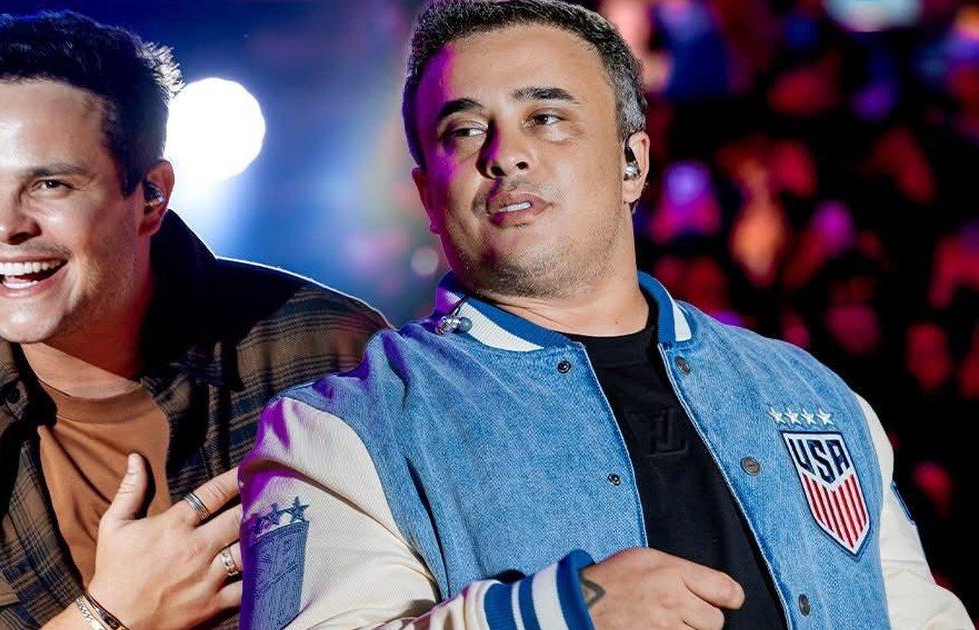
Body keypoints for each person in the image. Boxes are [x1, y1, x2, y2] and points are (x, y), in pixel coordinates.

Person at [239, 1, 971, 628]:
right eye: (464, 131)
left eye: (546, 117)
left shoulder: (810, 393)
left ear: (633, 163)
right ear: (429, 194)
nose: (506, 155)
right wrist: (557, 613)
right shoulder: (339, 432)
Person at [0, 10, 387, 629]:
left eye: (50, 185)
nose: (5, 225)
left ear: (151, 197)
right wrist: (109, 617)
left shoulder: (331, 362)